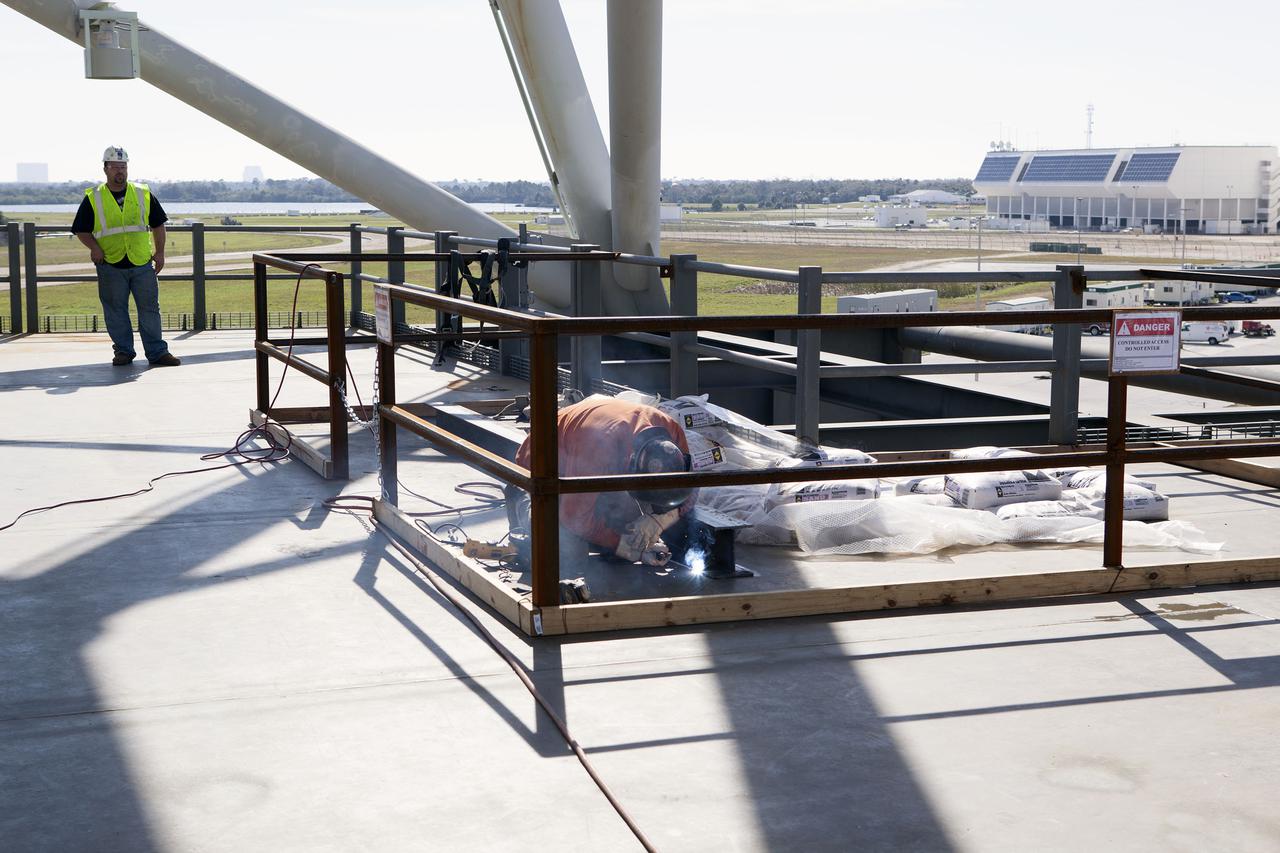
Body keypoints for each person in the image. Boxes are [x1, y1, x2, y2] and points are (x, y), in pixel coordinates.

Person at [508, 397, 696, 566]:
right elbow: (574, 518)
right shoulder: (598, 451)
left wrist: (658, 520)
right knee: (567, 552)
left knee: (623, 527)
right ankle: (522, 499)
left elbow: (692, 487)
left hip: (601, 464)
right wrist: (626, 547)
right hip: (542, 470)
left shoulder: (672, 432)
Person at [72, 146, 179, 367]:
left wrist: (160, 253)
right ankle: (123, 351)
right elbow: (81, 229)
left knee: (149, 309)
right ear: (105, 169)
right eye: (115, 167)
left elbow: (158, 224)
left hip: (141, 262)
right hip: (110, 263)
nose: (120, 171)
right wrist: (94, 248)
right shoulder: (95, 197)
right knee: (115, 310)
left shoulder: (142, 193)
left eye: (123, 166)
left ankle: (157, 352)